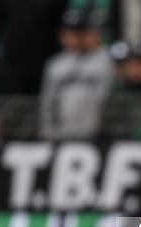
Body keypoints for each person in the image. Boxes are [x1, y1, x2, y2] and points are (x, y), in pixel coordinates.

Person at [39, 7, 113, 140]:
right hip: (61, 136)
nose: (73, 37)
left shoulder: (104, 61)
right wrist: (48, 134)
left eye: (78, 32)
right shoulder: (55, 65)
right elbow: (48, 104)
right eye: (69, 32)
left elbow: (106, 100)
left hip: (96, 136)